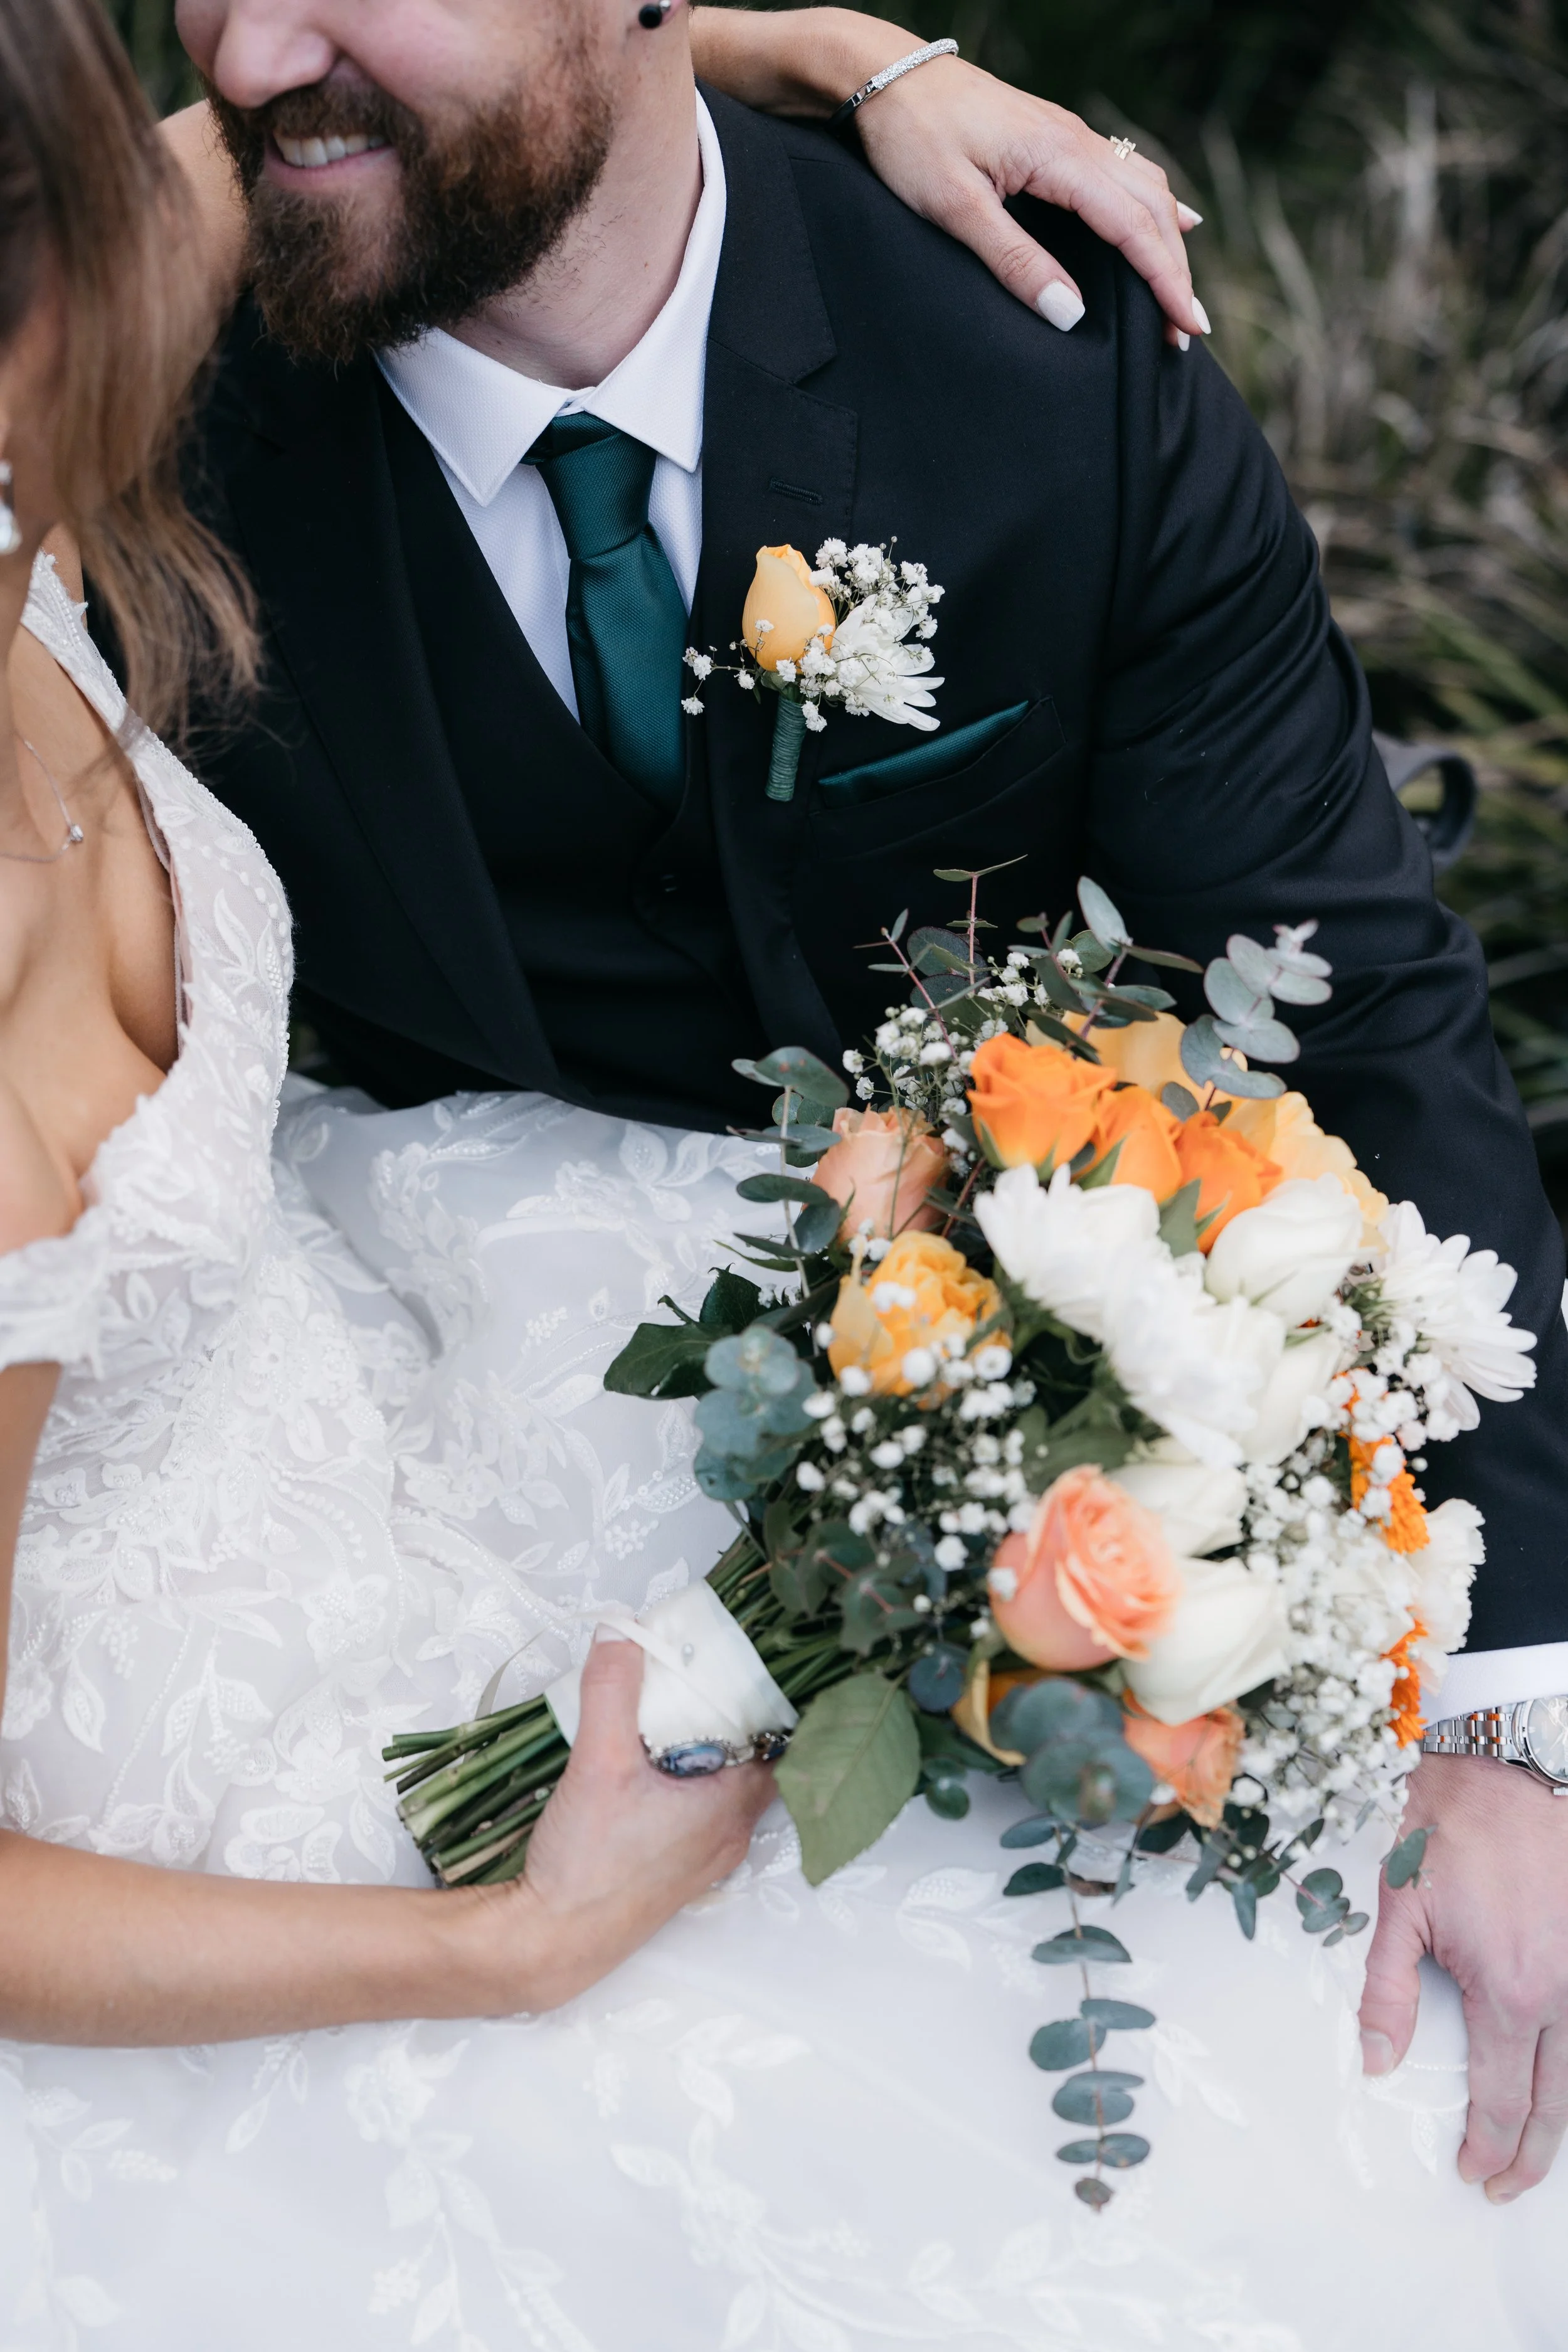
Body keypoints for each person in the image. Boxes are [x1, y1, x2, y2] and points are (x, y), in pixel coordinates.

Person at [0, 5, 1564, 2349]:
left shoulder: (1042, 357)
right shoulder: (142, 354)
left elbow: (1356, 989)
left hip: (910, 1371)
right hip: (385, 1406)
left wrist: (1506, 1716)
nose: (247, 49)